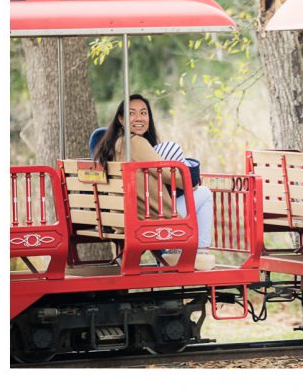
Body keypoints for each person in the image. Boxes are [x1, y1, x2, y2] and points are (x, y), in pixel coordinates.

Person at [92, 93, 215, 270]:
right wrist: (191, 181)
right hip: (147, 218)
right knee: (205, 193)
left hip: (121, 217)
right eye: (132, 113)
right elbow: (169, 175)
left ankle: (178, 251)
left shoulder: (112, 143)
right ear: (121, 119)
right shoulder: (135, 143)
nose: (139, 118)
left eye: (144, 113)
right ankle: (199, 252)